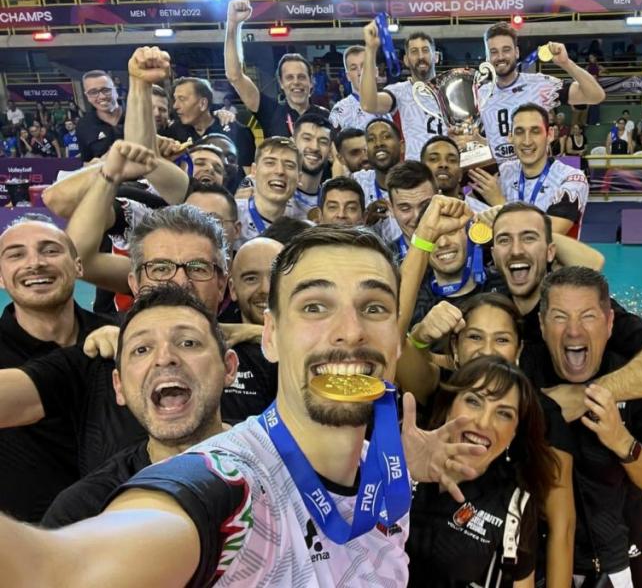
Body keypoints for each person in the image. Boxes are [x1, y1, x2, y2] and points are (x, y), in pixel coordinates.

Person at [0, 225, 486, 587]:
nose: (351, 331)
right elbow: (61, 570)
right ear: (269, 336)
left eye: (374, 307)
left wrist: (402, 463)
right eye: (315, 307)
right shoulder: (226, 484)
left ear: (395, 341)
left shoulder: (382, 469)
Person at [526, 267, 642, 585]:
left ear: (609, 324)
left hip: (617, 561)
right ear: (541, 325)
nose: (574, 331)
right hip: (537, 559)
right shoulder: (524, 374)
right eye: (559, 317)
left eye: (588, 316)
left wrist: (621, 441)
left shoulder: (633, 377)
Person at [41, 284, 239, 528]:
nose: (164, 358)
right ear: (119, 386)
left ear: (229, 368)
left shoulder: (276, 455)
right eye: (141, 349)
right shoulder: (83, 512)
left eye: (188, 343)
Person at [490, 202, 642, 416]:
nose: (516, 250)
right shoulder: (489, 306)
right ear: (494, 255)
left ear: (551, 251)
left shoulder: (580, 305)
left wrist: (586, 395)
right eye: (504, 240)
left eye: (529, 238)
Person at [0, 214, 113, 522]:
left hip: (119, 527)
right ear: (1, 277)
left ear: (78, 266)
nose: (35, 263)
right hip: (26, 539)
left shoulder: (121, 336)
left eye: (50, 250)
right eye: (16, 255)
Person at [407, 355, 557, 587]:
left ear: (514, 433)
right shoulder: (399, 458)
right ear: (448, 406)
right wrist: (398, 470)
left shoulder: (514, 504)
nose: (484, 423)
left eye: (504, 413)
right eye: (474, 402)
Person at [480, 22, 605, 165]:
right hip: (497, 176)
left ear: (517, 52)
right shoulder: (480, 93)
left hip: (536, 175)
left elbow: (596, 96)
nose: (500, 56)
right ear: (487, 57)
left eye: (506, 50)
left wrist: (566, 63)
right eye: (494, 52)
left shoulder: (539, 85)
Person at [224, 0, 329, 138]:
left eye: (301, 77)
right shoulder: (270, 111)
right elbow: (234, 76)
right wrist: (233, 24)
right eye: (289, 77)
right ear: (281, 83)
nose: (296, 82)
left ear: (311, 82)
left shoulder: (325, 116)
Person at [498, 103, 589, 237]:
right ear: (510, 137)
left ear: (550, 134)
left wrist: (498, 203)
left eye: (535, 131)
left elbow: (549, 234)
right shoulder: (504, 172)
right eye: (519, 132)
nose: (527, 141)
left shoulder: (571, 178)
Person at [361, 24, 444, 159]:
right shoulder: (398, 92)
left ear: (436, 57)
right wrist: (370, 50)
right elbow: (368, 105)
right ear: (406, 60)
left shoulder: (452, 89)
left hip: (447, 166)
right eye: (414, 52)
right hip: (414, 168)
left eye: (425, 50)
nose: (420, 56)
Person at [223, 237, 282, 424]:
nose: (265, 289)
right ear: (232, 289)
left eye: (275, 277)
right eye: (251, 279)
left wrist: (254, 332)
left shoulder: (319, 339)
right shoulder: (218, 345)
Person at [164, 76, 255, 179]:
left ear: (203, 103)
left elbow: (249, 176)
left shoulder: (237, 132)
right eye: (175, 99)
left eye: (182, 99)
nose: (175, 105)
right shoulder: (172, 132)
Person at [329, 45, 390, 131]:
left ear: (376, 72)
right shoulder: (340, 111)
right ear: (348, 76)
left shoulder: (389, 104)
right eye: (354, 68)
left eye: (364, 66)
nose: (360, 72)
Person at [385, 161, 437, 260]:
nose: (417, 216)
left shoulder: (459, 244)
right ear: (391, 208)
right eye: (405, 209)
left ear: (440, 200)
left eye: (425, 206)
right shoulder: (385, 259)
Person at [290, 113, 334, 216]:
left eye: (323, 142)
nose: (314, 147)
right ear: (292, 143)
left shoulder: (330, 202)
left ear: (330, 151)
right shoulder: (271, 192)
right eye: (307, 138)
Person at [76, 70, 124, 161]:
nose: (102, 96)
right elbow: (87, 162)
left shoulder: (137, 116)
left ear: (115, 90)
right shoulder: (84, 125)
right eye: (93, 92)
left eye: (106, 90)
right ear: (87, 96)